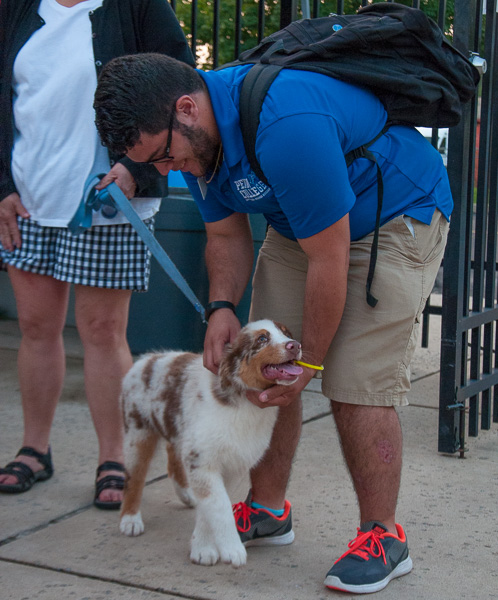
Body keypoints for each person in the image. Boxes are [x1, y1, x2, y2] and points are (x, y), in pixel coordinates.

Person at [93, 53, 452, 592]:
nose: (166, 171)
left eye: (165, 156)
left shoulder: (287, 124)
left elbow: (330, 261)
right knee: (264, 367)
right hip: (302, 222)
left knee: (355, 378)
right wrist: (221, 308)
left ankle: (383, 536)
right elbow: (224, 235)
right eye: (156, 164)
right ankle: (267, 509)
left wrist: (308, 362)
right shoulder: (197, 144)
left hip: (395, 214)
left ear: (187, 108)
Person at [0, 1, 194, 509]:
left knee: (104, 333)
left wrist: (137, 166)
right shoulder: (16, 8)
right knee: (37, 328)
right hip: (28, 199)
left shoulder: (136, 6)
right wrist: (1, 186)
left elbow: (180, 89)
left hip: (108, 199)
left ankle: (116, 459)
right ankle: (34, 450)